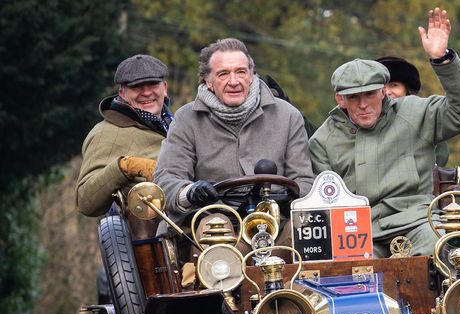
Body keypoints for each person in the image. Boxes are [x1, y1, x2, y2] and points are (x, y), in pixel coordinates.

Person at [309, 8, 460, 257]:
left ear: (383, 92)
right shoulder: (323, 141)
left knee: (441, 252)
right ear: (340, 100)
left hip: (417, 222)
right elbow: (325, 206)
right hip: (359, 233)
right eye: (354, 97)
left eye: (370, 94)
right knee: (351, 270)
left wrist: (442, 60)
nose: (363, 104)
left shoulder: (413, 112)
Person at [155, 38, 314, 217]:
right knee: (216, 229)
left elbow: (304, 180)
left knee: (295, 232)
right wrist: (189, 193)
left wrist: (288, 199)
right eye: (223, 74)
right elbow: (167, 179)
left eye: (241, 72)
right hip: (210, 219)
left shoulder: (288, 115)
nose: (233, 81)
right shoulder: (186, 119)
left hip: (276, 218)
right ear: (208, 81)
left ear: (251, 75)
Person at [77, 54, 173, 217]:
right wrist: (126, 167)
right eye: (136, 87)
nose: (146, 92)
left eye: (153, 84)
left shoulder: (178, 125)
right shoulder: (106, 134)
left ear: (164, 87)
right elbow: (86, 202)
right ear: (122, 93)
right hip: (155, 229)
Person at [376, 55, 450, 168]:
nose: (387, 92)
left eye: (394, 85)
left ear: (407, 90)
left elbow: (440, 155)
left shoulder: (424, 119)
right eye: (382, 87)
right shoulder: (363, 122)